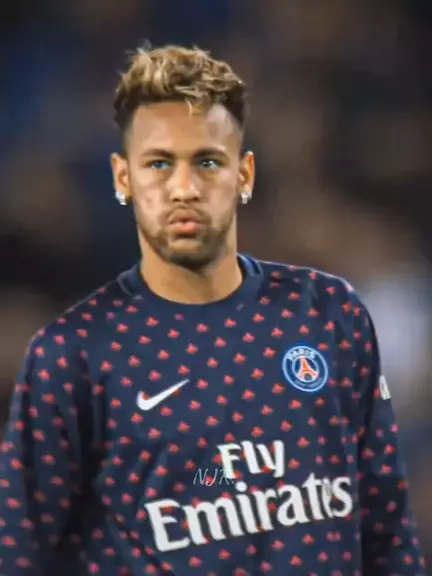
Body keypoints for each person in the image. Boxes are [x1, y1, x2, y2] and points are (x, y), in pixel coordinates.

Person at [0, 45, 426, 576]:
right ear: (123, 177)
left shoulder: (331, 312)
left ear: (243, 174)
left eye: (207, 161)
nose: (184, 189)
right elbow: (22, 553)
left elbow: (387, 530)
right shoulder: (73, 356)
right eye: (159, 163)